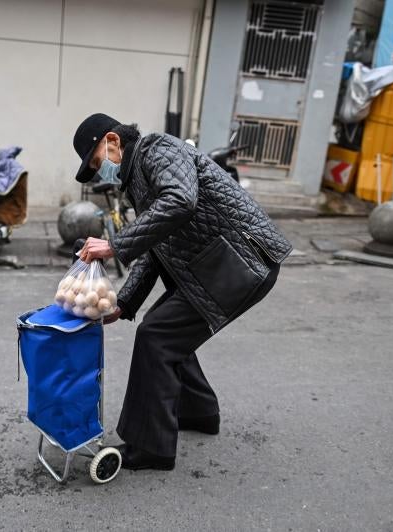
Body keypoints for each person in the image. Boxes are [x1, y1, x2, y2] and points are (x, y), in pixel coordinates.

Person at [72, 113, 292, 471]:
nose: (101, 174)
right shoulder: (139, 179)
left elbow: (180, 201)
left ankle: (151, 447)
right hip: (220, 267)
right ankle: (199, 412)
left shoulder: (158, 150)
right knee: (168, 330)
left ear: (113, 141)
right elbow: (156, 246)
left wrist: (114, 246)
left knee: (156, 335)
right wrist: (124, 303)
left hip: (239, 264)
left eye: (98, 163)